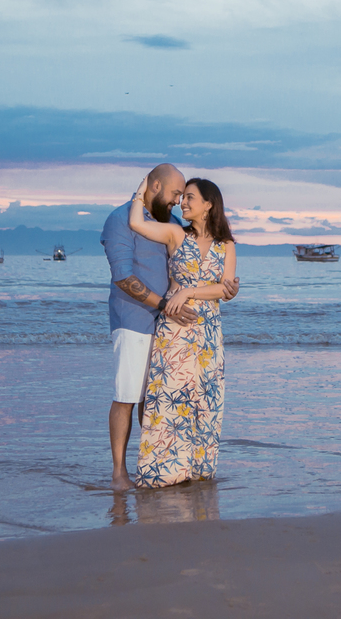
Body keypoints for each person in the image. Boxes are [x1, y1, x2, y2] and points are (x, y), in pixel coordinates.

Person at [100, 164, 237, 491]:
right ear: (154, 185)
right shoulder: (121, 220)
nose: (178, 201)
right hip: (135, 319)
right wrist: (167, 304)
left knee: (165, 399)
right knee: (127, 395)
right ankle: (120, 473)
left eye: (186, 196)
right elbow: (122, 277)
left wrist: (224, 290)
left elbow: (210, 279)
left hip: (178, 325)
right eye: (176, 194)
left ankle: (163, 469)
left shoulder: (173, 223)